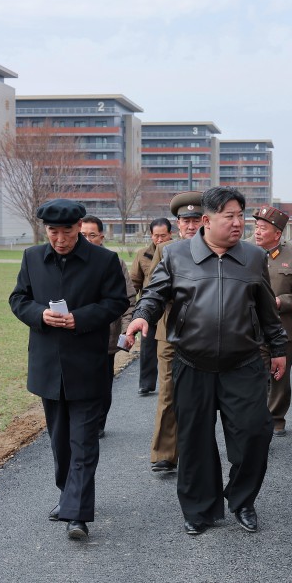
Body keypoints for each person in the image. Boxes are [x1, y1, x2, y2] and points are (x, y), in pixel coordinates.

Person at [125, 187, 287, 536]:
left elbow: (266, 309)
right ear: (206, 220)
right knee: (195, 441)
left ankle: (242, 500)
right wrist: (142, 316)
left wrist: (279, 348)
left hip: (242, 363)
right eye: (229, 216)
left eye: (241, 215)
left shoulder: (254, 258)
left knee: (255, 435)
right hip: (192, 362)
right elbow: (154, 294)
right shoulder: (176, 255)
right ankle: (200, 509)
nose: (238, 223)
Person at [9, 199, 129, 540]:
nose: (60, 239)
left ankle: (77, 514)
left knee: (83, 441)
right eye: (53, 232)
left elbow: (117, 302)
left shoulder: (104, 260)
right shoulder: (32, 257)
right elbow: (18, 298)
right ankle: (68, 493)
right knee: (60, 442)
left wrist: (80, 317)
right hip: (48, 366)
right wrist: (39, 315)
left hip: (88, 364)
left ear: (80, 227)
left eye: (67, 232)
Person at [145, 192, 203, 474]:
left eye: (195, 220)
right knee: (168, 392)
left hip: (204, 333)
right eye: (185, 221)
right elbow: (152, 288)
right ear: (177, 224)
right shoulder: (165, 250)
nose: (190, 226)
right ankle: (165, 453)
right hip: (169, 331)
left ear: (205, 221)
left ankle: (197, 453)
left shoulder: (215, 248)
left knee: (202, 395)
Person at [253, 205, 292, 437]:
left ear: (277, 234)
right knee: (255, 376)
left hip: (282, 328)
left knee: (280, 377)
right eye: (256, 227)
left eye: (263, 228)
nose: (257, 232)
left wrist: (281, 302)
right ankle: (256, 417)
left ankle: (276, 418)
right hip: (252, 329)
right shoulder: (246, 254)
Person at [80, 215, 136, 438]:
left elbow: (128, 298)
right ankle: (80, 421)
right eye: (82, 234)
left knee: (102, 382)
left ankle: (98, 423)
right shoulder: (69, 261)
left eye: (91, 235)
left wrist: (126, 329)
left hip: (106, 336)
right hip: (77, 335)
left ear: (101, 237)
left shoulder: (114, 262)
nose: (86, 239)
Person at [129, 217, 172, 395]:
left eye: (163, 235)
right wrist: (133, 311)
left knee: (168, 350)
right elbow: (134, 282)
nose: (160, 239)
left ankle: (169, 384)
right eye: (156, 236)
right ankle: (146, 383)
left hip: (168, 309)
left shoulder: (175, 251)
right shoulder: (142, 254)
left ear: (171, 234)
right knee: (147, 348)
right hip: (149, 308)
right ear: (151, 235)